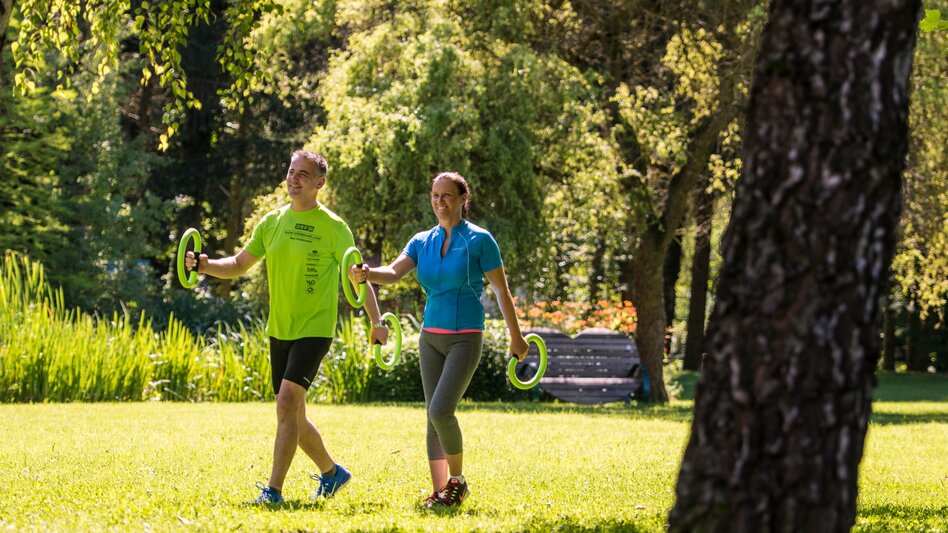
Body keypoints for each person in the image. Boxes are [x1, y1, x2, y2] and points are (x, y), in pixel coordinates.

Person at [185, 150, 388, 505]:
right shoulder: (272, 222)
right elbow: (237, 264)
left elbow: (359, 278)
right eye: (291, 172)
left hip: (314, 329)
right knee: (293, 414)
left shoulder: (335, 228)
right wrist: (203, 265)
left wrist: (376, 321)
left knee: (285, 403)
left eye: (303, 175)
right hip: (280, 328)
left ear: (319, 183)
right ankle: (332, 473)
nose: (294, 179)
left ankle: (273, 492)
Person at [350, 171, 529, 508]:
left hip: (465, 337)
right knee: (432, 416)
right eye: (435, 195)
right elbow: (392, 272)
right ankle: (440, 491)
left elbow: (502, 291)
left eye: (447, 196)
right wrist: (366, 273)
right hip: (430, 337)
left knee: (441, 410)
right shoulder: (422, 241)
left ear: (463, 198)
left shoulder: (480, 240)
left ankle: (457, 483)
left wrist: (516, 337)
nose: (440, 202)